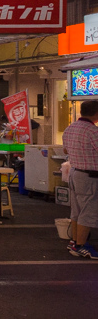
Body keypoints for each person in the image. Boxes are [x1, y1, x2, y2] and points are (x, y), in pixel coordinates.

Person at [63, 99, 98, 259]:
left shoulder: (70, 128)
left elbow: (65, 149)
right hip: (89, 176)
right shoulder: (92, 131)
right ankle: (81, 246)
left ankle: (75, 242)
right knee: (88, 211)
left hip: (74, 172)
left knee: (76, 210)